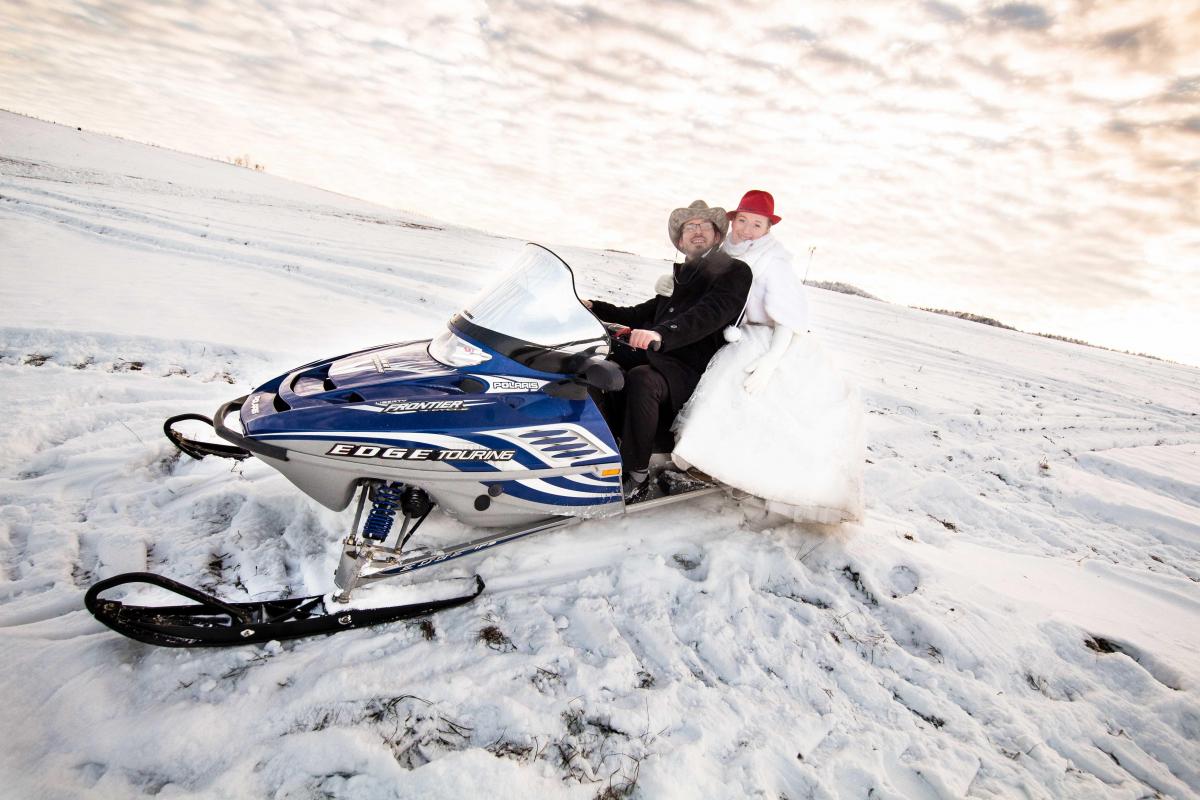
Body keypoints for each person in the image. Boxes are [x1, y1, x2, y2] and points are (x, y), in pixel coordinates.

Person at [670, 190, 865, 524]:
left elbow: (788, 318)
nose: (746, 229)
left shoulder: (773, 262)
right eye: (742, 221)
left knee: (736, 393)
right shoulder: (723, 251)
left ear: (767, 228)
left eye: (756, 224)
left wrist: (772, 360)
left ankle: (724, 469)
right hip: (728, 331)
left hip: (765, 337)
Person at [587, 200, 752, 501]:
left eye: (705, 226)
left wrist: (661, 334)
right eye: (690, 227)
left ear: (717, 237)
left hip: (690, 369)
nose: (698, 231)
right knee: (595, 358)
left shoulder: (734, 271)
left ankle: (635, 475)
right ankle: (593, 447)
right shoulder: (680, 278)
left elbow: (709, 313)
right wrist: (594, 307)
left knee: (641, 379)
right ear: (679, 240)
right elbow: (641, 313)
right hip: (659, 355)